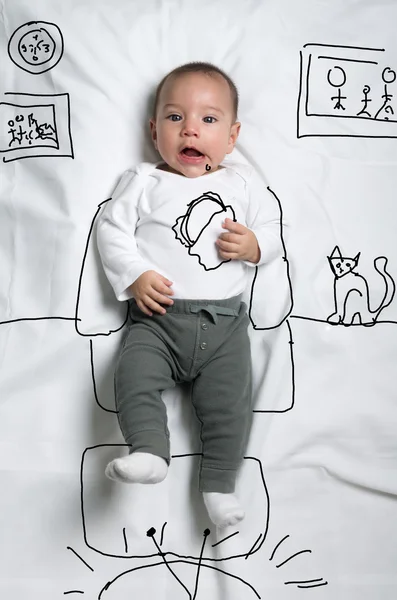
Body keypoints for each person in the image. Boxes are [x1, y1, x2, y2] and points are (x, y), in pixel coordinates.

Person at [97, 61, 283, 527]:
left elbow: (274, 231)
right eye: (176, 118)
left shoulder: (243, 184)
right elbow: (112, 232)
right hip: (157, 321)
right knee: (133, 377)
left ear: (233, 135)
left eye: (209, 119)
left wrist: (255, 246)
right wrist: (135, 274)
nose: (191, 131)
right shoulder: (143, 181)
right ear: (153, 129)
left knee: (231, 409)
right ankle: (149, 452)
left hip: (224, 328)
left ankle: (219, 485)